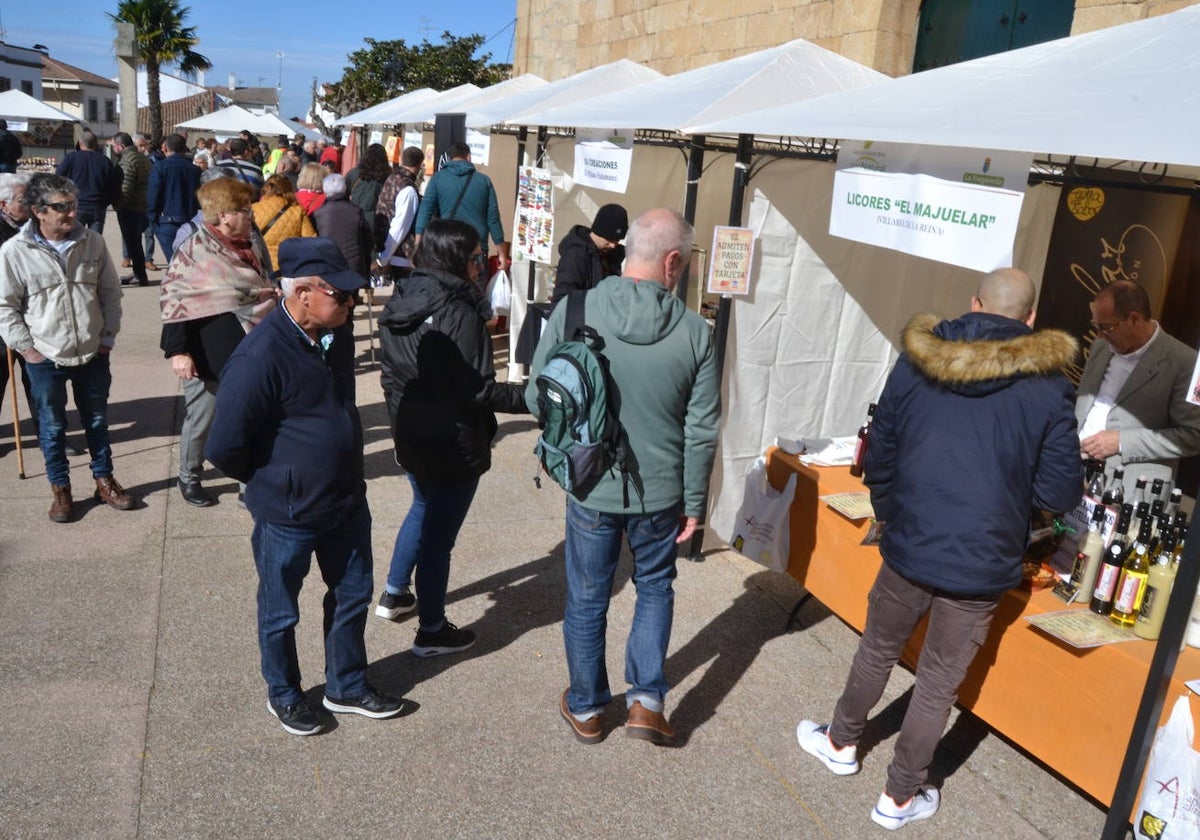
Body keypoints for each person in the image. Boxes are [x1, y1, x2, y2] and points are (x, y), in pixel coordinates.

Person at [795, 268, 1082, 830]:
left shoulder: (919, 359)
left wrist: (892, 510)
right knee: (937, 681)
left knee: (878, 648)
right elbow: (1058, 491)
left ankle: (841, 742)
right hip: (983, 557)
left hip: (911, 540)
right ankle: (899, 797)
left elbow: (879, 450)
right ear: (1030, 320)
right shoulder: (1050, 387)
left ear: (974, 303)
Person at [524, 208, 720, 746]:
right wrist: (696, 500)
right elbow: (702, 428)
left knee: (588, 595)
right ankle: (646, 702)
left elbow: (534, 396)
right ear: (672, 261)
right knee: (655, 587)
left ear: (627, 248)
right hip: (661, 491)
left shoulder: (574, 308)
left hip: (589, 483)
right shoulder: (694, 332)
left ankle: (587, 708)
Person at [205, 236, 404, 736]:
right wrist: (277, 478)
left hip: (345, 500)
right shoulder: (259, 358)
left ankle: (347, 684)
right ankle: (285, 693)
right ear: (303, 294)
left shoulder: (331, 335)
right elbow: (225, 445)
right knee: (280, 611)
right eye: (342, 294)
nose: (352, 303)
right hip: (288, 512)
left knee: (353, 594)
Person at [375, 219, 529, 654]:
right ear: (457, 259)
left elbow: (391, 374)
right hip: (453, 441)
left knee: (422, 507)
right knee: (438, 540)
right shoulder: (460, 310)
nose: (483, 265)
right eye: (478, 257)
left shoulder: (404, 295)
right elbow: (478, 388)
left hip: (410, 431)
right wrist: (531, 398)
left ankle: (394, 593)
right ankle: (431, 630)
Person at [0, 173, 135, 522]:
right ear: (38, 211)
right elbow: (5, 307)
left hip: (92, 352)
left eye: (72, 205)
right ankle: (60, 489)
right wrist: (27, 349)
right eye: (61, 207)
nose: (71, 213)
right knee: (52, 427)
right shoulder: (14, 251)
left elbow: (110, 294)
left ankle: (104, 481)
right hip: (45, 356)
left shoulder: (92, 242)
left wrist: (107, 339)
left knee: (97, 420)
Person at [159, 177, 277, 507]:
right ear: (224, 215)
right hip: (207, 351)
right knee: (203, 419)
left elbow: (264, 283)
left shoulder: (252, 242)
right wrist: (178, 350)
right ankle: (190, 476)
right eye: (244, 209)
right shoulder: (194, 249)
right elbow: (174, 298)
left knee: (252, 416)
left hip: (252, 346)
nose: (251, 215)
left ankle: (246, 481)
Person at [1076, 279, 1200, 488]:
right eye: (1096, 326)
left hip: (1128, 488)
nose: (1099, 335)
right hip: (1075, 476)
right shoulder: (1102, 344)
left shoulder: (1188, 364)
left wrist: (1122, 441)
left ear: (1134, 318)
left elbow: (1193, 435)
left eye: (1106, 327)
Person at [415, 142, 510, 270]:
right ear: (469, 157)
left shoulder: (438, 178)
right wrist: (501, 253)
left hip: (447, 246)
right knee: (474, 288)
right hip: (476, 248)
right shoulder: (484, 181)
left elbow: (425, 211)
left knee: (446, 288)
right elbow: (493, 218)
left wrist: (418, 244)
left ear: (449, 158)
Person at [549, 204, 628, 305]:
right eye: (610, 239)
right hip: (580, 317)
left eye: (617, 240)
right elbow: (562, 300)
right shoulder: (576, 256)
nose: (613, 245)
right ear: (599, 232)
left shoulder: (612, 254)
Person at [147, 133, 201, 265]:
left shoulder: (160, 167)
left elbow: (153, 194)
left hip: (167, 220)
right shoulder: (195, 170)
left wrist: (152, 218)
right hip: (190, 220)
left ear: (165, 147)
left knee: (174, 263)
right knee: (189, 262)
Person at [375, 146, 424, 281]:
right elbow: (400, 227)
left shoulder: (392, 178)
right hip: (401, 255)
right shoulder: (408, 188)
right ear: (420, 165)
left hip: (389, 249)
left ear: (402, 160)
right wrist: (384, 258)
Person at [311, 174, 372, 281]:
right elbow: (368, 241)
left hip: (329, 266)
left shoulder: (318, 214)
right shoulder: (356, 211)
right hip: (354, 267)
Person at [111, 132, 152, 288]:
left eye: (114, 146)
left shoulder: (127, 160)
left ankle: (140, 275)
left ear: (121, 146)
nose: (113, 149)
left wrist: (118, 205)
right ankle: (138, 272)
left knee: (133, 243)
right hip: (142, 205)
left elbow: (126, 186)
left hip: (130, 207)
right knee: (136, 242)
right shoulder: (142, 158)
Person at [252, 175, 316, 271]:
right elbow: (310, 240)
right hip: (289, 265)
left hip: (261, 264)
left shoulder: (254, 209)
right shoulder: (297, 210)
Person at [56, 130, 116, 233]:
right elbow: (113, 185)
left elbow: (58, 178)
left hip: (76, 204)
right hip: (98, 205)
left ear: (80, 143)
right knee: (95, 241)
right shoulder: (105, 161)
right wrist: (106, 201)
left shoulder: (71, 158)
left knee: (74, 240)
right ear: (96, 144)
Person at [345, 143, 390, 225]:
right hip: (378, 219)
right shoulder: (387, 176)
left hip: (354, 216)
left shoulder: (355, 173)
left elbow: (343, 192)